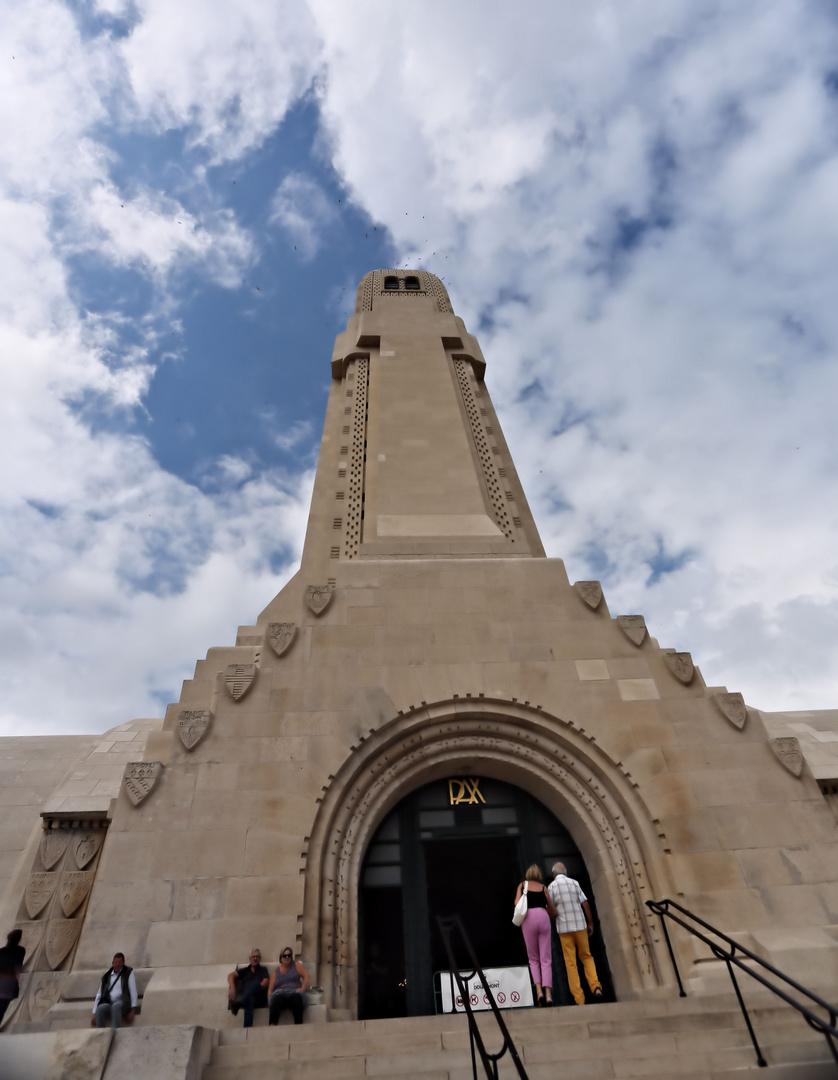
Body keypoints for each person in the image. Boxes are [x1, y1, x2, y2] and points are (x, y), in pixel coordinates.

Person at [547, 862, 603, 1005]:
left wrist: (555, 918)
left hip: (564, 929)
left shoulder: (552, 887)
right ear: (565, 872)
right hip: (580, 926)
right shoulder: (574, 883)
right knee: (587, 957)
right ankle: (595, 987)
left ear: (554, 874)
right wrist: (590, 923)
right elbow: (585, 904)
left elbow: (550, 909)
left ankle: (579, 999)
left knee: (570, 963)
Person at [514, 864, 557, 1007]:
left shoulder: (522, 885)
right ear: (539, 875)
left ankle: (539, 992)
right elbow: (552, 909)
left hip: (529, 919)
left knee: (533, 958)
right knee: (546, 958)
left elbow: (516, 903)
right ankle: (549, 995)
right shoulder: (544, 888)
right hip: (543, 917)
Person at [91, 952, 138, 1028]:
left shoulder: (128, 972)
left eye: (119, 962)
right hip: (110, 1003)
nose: (117, 964)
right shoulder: (106, 976)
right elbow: (99, 995)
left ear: (123, 963)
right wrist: (94, 1013)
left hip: (124, 1003)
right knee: (101, 1008)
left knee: (116, 1006)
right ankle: (100, 1033)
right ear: (112, 964)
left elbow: (133, 991)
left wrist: (132, 1010)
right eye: (116, 962)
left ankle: (115, 1031)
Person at [227, 948, 269, 1028]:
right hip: (249, 1000)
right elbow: (230, 975)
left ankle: (239, 1003)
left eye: (257, 957)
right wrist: (233, 987)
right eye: (253, 957)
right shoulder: (244, 971)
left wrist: (256, 987)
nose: (255, 958)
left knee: (256, 984)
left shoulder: (263, 970)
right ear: (250, 958)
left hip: (259, 999)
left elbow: (266, 983)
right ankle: (247, 1029)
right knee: (249, 1000)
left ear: (260, 958)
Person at [268, 947, 309, 1026]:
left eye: (289, 955)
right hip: (281, 995)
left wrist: (302, 988)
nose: (287, 957)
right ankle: (272, 1026)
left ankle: (298, 1026)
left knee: (297, 999)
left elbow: (306, 975)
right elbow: (270, 990)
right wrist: (270, 1001)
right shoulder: (276, 972)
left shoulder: (296, 965)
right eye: (284, 956)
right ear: (281, 957)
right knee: (276, 1000)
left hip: (294, 993)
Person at [0, 928, 26, 1027]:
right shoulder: (20, 950)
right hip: (9, 982)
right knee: (2, 1008)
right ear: (19, 939)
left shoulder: (1, 951)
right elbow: (18, 966)